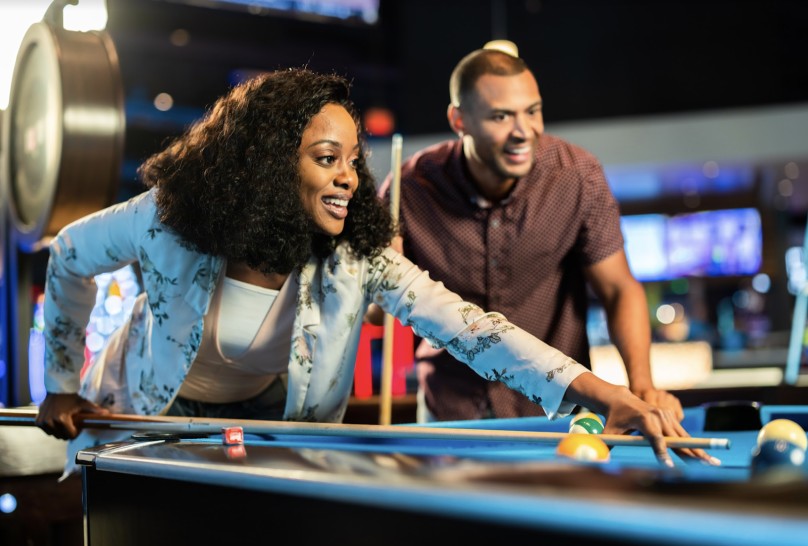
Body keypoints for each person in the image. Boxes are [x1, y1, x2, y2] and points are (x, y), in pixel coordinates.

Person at [36, 68, 714, 475]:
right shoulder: (167, 218)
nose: (350, 179)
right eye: (327, 158)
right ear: (268, 163)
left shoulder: (353, 255)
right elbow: (67, 257)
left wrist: (603, 394)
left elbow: (472, 330)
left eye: (354, 160)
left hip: (280, 426)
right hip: (151, 419)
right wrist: (60, 385)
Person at [374, 48, 684, 423]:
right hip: (450, 416)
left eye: (532, 111)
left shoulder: (577, 177)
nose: (524, 131)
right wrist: (381, 281)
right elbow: (378, 314)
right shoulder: (408, 189)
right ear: (460, 120)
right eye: (501, 116)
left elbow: (619, 289)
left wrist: (643, 385)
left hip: (557, 415)